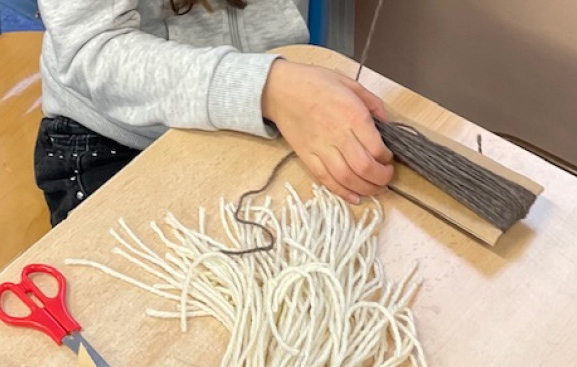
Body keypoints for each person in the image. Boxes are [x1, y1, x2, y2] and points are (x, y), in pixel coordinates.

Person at [34, 0, 393, 226]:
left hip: (256, 114)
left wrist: (273, 92)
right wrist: (265, 88)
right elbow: (92, 52)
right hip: (116, 139)